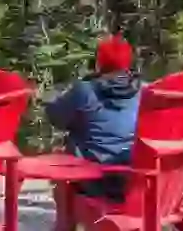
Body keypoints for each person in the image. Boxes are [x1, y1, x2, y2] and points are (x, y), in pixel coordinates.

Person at [44, 34, 142, 201]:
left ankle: (65, 223)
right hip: (133, 177)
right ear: (128, 63)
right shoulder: (143, 91)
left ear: (99, 63)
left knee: (60, 155)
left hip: (94, 178)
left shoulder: (85, 90)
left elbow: (55, 117)